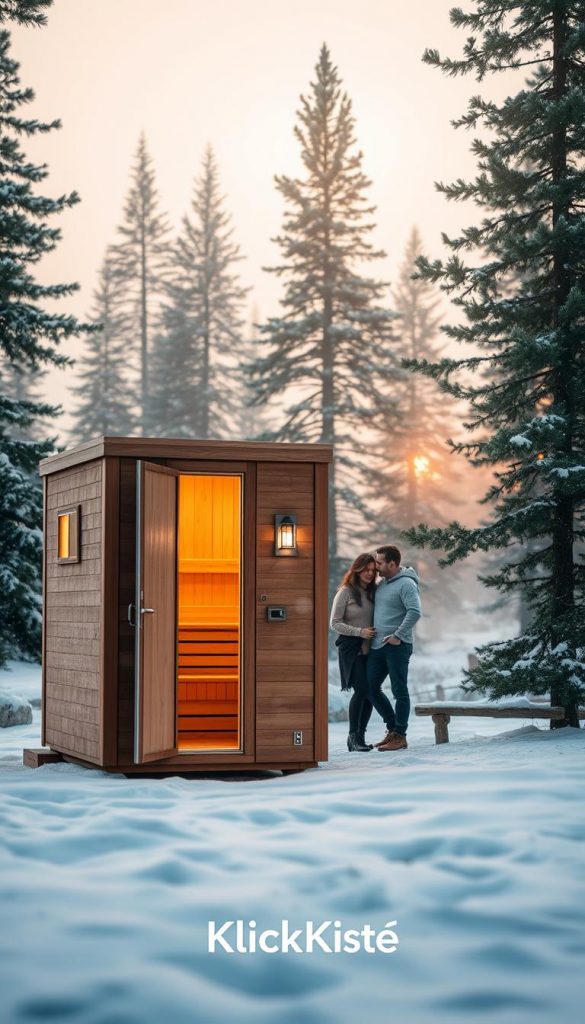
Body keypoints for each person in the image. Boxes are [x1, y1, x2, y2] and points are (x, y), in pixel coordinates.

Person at [367, 545, 422, 751]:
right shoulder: (382, 584)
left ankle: (400, 735)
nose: (376, 566)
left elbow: (415, 612)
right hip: (377, 646)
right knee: (370, 688)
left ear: (392, 563)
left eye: (380, 562)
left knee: (399, 691)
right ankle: (392, 729)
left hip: (398, 645)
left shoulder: (406, 584)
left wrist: (398, 635)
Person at [330, 553, 377, 752]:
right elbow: (334, 623)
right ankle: (353, 737)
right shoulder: (346, 592)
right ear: (357, 569)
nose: (370, 573)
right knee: (362, 691)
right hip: (352, 650)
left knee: (370, 694)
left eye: (373, 570)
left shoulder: (374, 592)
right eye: (366, 569)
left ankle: (360, 737)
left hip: (372, 651)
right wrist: (359, 632)